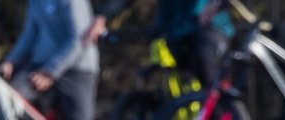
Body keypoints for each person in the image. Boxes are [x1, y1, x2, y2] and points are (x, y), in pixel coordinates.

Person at [93, 0, 234, 86]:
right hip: (174, 33)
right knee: (162, 78)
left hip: (210, 30)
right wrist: (102, 16)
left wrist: (216, 3)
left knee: (205, 66)